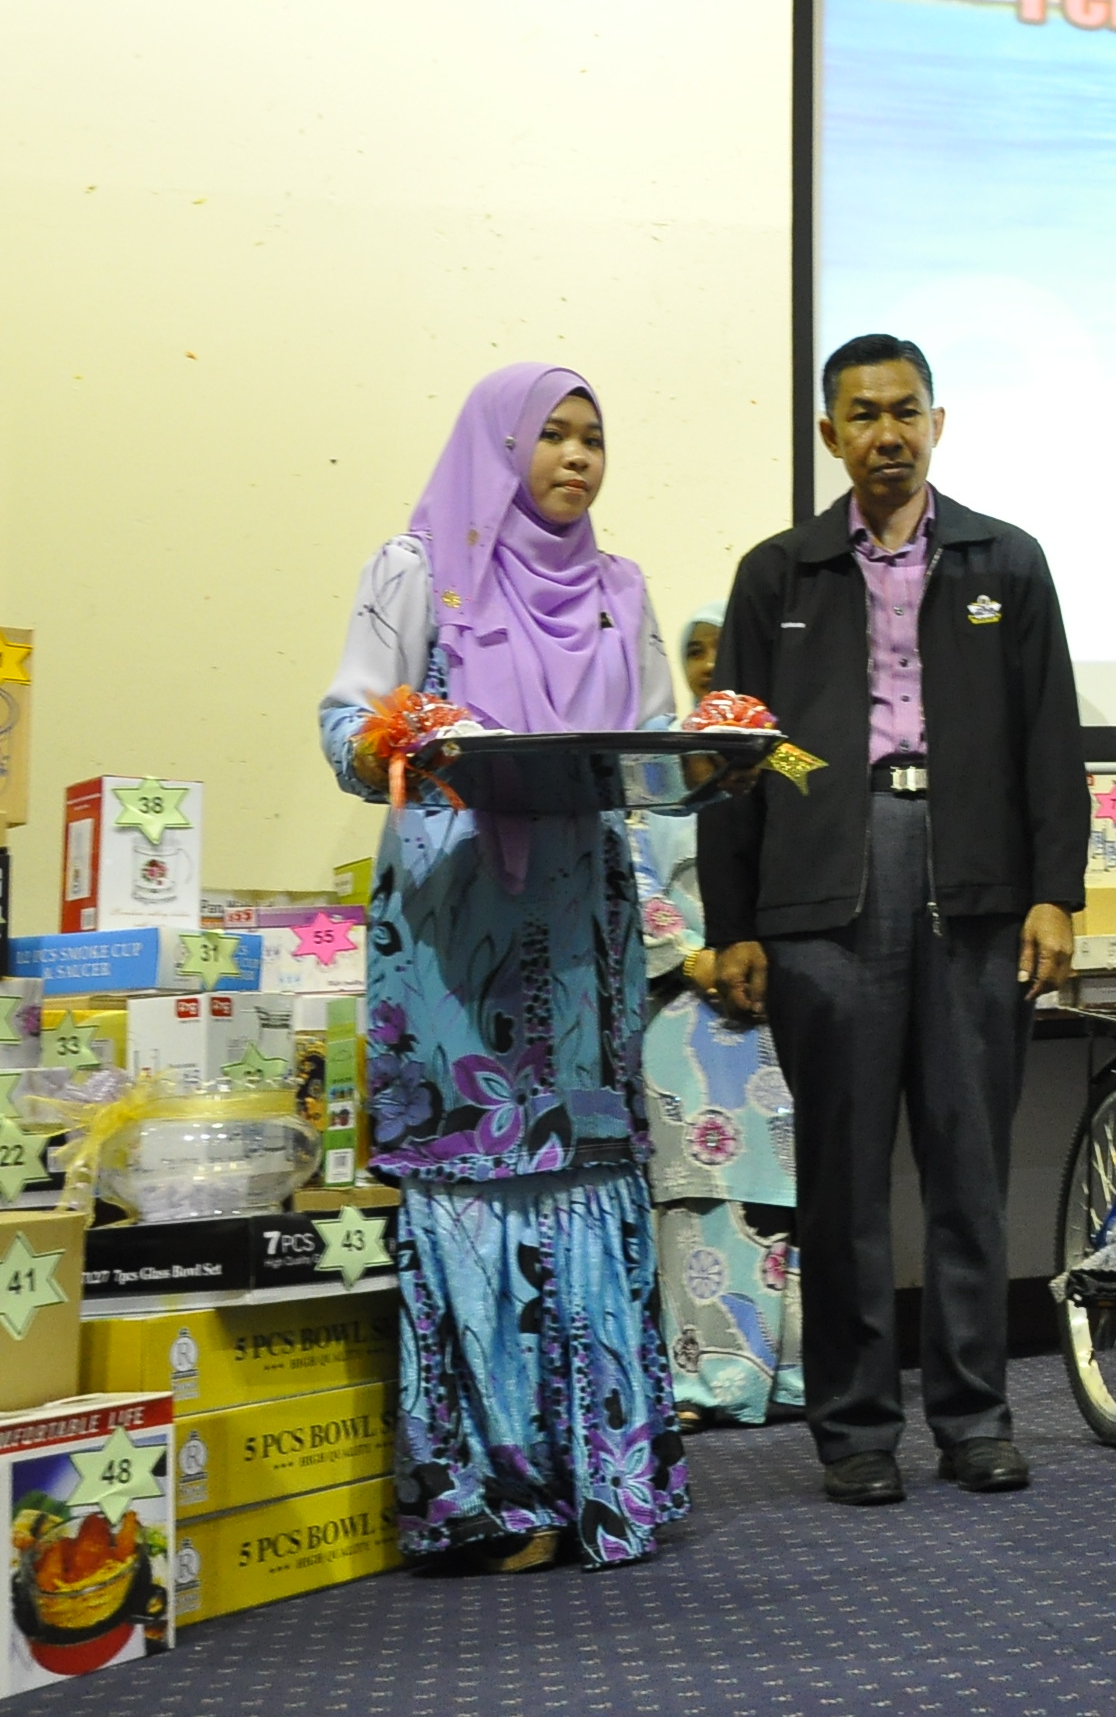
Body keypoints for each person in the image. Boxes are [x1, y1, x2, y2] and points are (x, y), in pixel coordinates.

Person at [697, 334, 1085, 1507]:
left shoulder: (1006, 562)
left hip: (977, 887)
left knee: (970, 1172)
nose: (887, 435)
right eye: (863, 416)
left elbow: (1048, 738)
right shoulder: (779, 575)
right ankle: (857, 1430)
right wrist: (737, 916)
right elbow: (739, 757)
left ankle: (975, 1420)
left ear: (937, 423)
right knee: (843, 1179)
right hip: (827, 889)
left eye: (906, 412)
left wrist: (1056, 893)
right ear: (831, 435)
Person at [316, 364, 688, 1571]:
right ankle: (493, 1498)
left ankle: (603, 1485)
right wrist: (411, 741)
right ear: (499, 446)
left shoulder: (621, 591)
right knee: (475, 1191)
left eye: (593, 439)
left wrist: (711, 765)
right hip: (453, 933)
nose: (576, 458)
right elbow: (346, 726)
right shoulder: (419, 570)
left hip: (579, 934)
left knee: (583, 1177)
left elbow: (654, 750)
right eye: (552, 436)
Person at [631, 603, 805, 1429]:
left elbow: (830, 840)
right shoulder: (651, 754)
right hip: (684, 1011)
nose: (709, 664)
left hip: (787, 1001)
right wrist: (692, 955)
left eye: (723, 648)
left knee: (795, 1194)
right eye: (695, 650)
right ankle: (704, 1381)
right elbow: (624, 864)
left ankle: (798, 1376)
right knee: (701, 1198)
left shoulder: (791, 752)